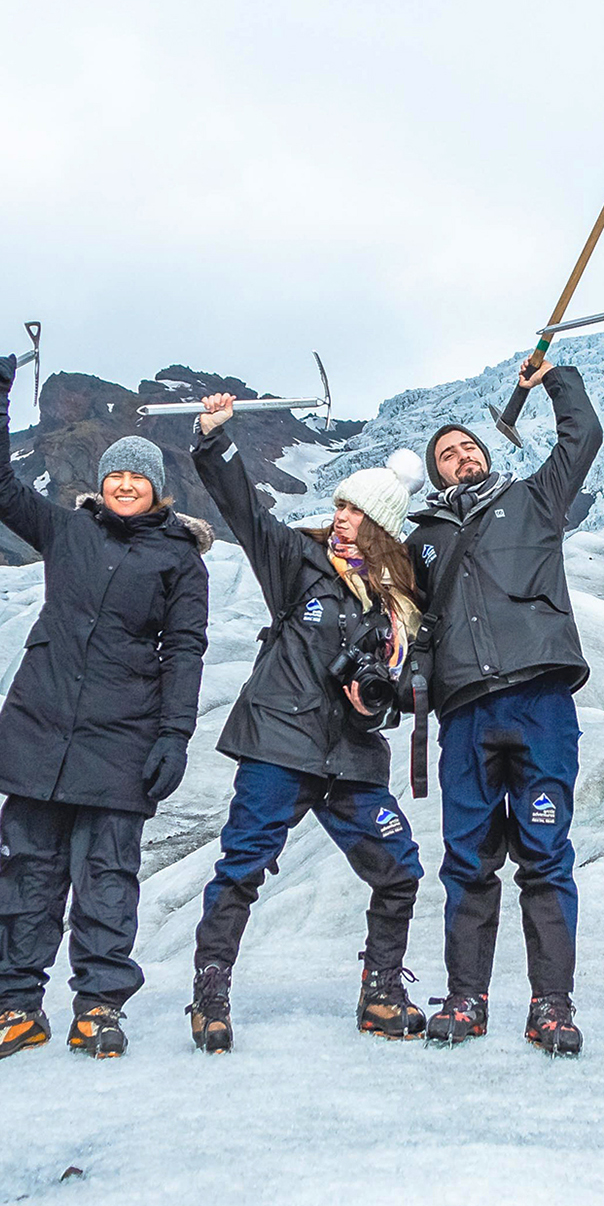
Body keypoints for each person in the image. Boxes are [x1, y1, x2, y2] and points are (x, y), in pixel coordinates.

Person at [0, 356, 211, 1063]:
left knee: (107, 879)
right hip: (40, 733)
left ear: (158, 488)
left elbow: (186, 650)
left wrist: (174, 735)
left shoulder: (178, 559)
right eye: (115, 474)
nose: (126, 483)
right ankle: (15, 1007)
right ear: (100, 483)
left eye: (138, 476)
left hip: (122, 738)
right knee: (26, 875)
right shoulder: (67, 531)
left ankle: (99, 1007)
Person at [182, 395, 428, 1051]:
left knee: (399, 868)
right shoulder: (299, 562)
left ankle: (381, 993)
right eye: (341, 505)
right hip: (279, 745)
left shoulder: (396, 608)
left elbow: (403, 690)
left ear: (380, 525)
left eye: (355, 511)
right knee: (243, 864)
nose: (341, 518)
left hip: (350, 759)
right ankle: (210, 994)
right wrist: (215, 440)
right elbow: (246, 513)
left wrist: (376, 702)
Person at [405, 353, 602, 1053]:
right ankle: (466, 1000)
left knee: (546, 854)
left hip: (540, 698)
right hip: (465, 713)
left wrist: (554, 380)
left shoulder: (535, 498)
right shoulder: (422, 541)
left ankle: (552, 1005)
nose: (460, 458)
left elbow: (582, 437)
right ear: (436, 474)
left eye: (468, 448)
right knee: (468, 860)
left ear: (487, 457)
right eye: (447, 455)